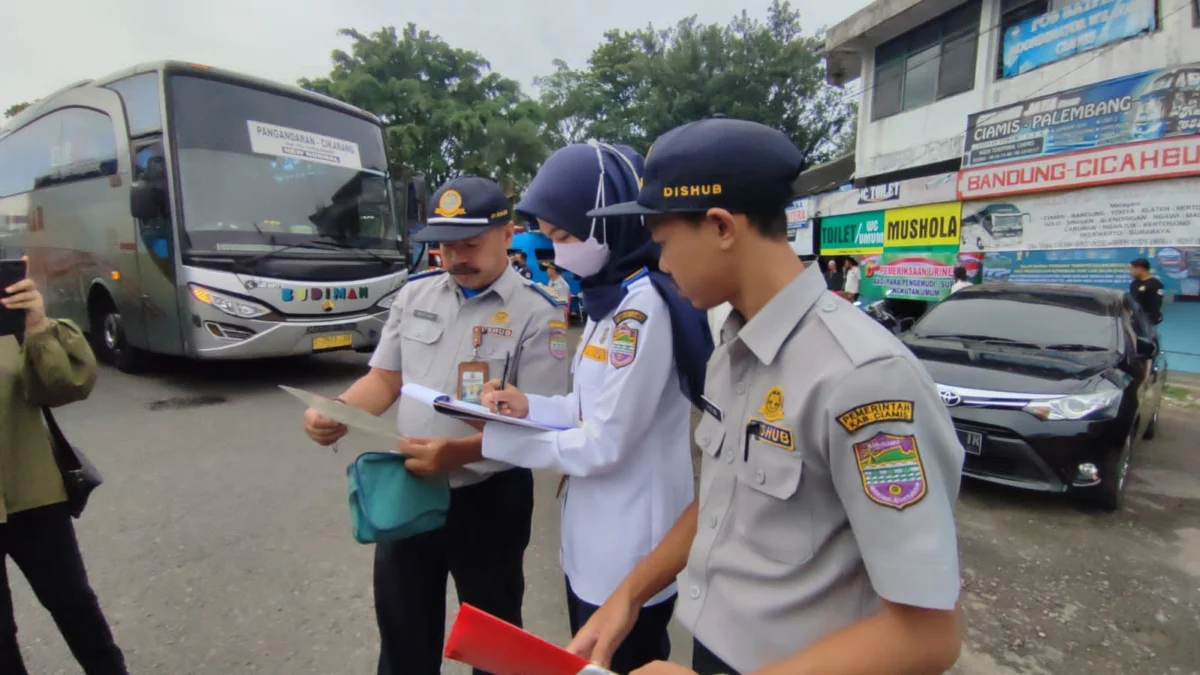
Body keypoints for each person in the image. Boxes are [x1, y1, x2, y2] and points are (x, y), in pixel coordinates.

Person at [569, 117, 965, 675]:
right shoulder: (734, 345)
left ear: (722, 227)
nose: (660, 263)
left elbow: (928, 635)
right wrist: (628, 596)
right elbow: (725, 499)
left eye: (662, 242)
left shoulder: (862, 379)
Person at [301, 176, 570, 675]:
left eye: (470, 244)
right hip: (411, 488)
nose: (457, 257)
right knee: (404, 634)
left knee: (493, 638)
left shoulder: (539, 313)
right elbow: (384, 378)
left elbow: (541, 424)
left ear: (507, 234)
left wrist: (459, 454)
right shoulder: (416, 296)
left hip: (489, 497)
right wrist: (337, 410)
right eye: (446, 246)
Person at [477, 141, 713, 674]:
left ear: (608, 224)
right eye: (551, 237)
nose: (559, 253)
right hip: (593, 538)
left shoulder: (643, 309)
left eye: (565, 236)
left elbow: (605, 441)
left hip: (630, 550)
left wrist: (492, 441)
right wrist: (524, 405)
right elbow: (583, 408)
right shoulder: (611, 300)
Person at [0, 260, 128, 675]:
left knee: (74, 604)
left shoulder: (11, 317)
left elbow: (64, 386)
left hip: (33, 491)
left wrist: (37, 324)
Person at [1129, 258, 1164, 324]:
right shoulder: (1134, 283)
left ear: (1140, 269)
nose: (1131, 272)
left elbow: (1157, 304)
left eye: (1132, 269)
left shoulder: (1155, 284)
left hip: (1149, 319)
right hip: (1135, 318)